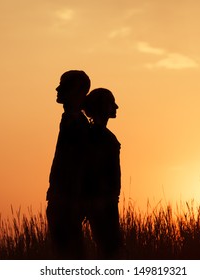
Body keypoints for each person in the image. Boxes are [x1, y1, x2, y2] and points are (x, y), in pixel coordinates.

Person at [46, 70, 90, 259]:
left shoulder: (77, 123)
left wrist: (73, 201)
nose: (57, 89)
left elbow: (78, 165)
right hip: (62, 198)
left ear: (78, 91)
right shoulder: (71, 120)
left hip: (67, 200)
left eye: (64, 85)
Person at [82, 88, 122, 259]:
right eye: (111, 103)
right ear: (102, 107)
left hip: (105, 201)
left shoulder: (97, 134)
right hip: (103, 202)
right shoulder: (98, 136)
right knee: (110, 250)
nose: (116, 107)